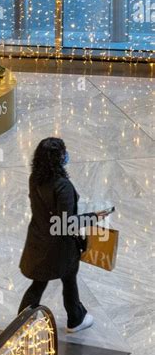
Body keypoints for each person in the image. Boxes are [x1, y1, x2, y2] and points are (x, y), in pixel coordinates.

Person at [18, 137, 112, 333]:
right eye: (63, 153)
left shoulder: (35, 178)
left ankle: (21, 321)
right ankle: (76, 318)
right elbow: (66, 223)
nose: (66, 155)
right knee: (69, 278)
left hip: (38, 239)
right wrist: (92, 217)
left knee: (39, 281)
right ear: (58, 158)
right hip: (60, 247)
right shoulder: (63, 186)